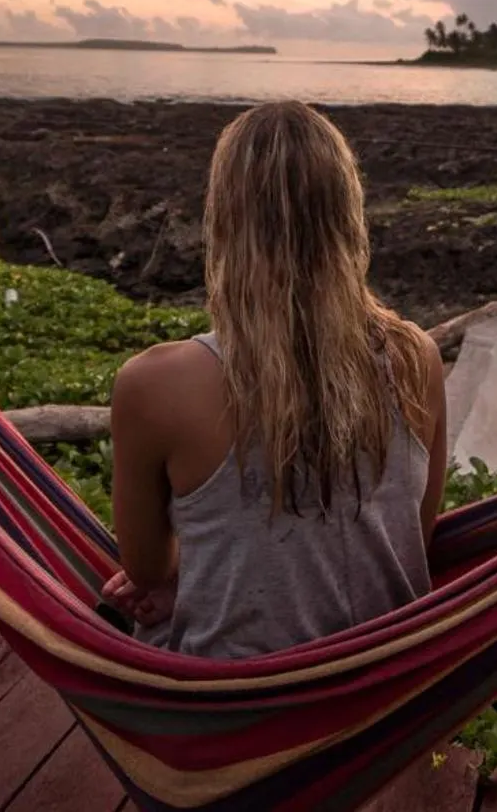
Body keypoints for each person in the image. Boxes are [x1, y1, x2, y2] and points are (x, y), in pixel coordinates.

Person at [101, 100, 448, 658]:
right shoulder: (416, 357)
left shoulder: (156, 385)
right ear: (348, 215)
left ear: (224, 220)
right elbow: (410, 537)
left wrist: (192, 560)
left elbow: (144, 569)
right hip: (386, 680)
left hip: (236, 697)